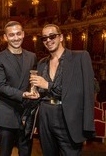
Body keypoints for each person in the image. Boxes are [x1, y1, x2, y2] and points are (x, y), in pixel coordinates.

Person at [29, 24, 95, 156]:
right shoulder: (42, 63)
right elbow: (41, 91)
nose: (48, 40)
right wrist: (35, 93)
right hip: (45, 115)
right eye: (44, 38)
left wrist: (47, 85)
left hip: (68, 116)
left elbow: (87, 91)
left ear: (61, 37)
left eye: (52, 36)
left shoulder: (80, 58)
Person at [0, 21, 38, 156]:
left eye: (18, 34)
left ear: (23, 34)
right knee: (5, 153)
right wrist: (23, 94)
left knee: (25, 152)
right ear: (5, 37)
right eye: (11, 35)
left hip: (26, 114)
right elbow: (0, 86)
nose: (16, 38)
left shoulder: (32, 56)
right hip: (7, 114)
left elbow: (33, 81)